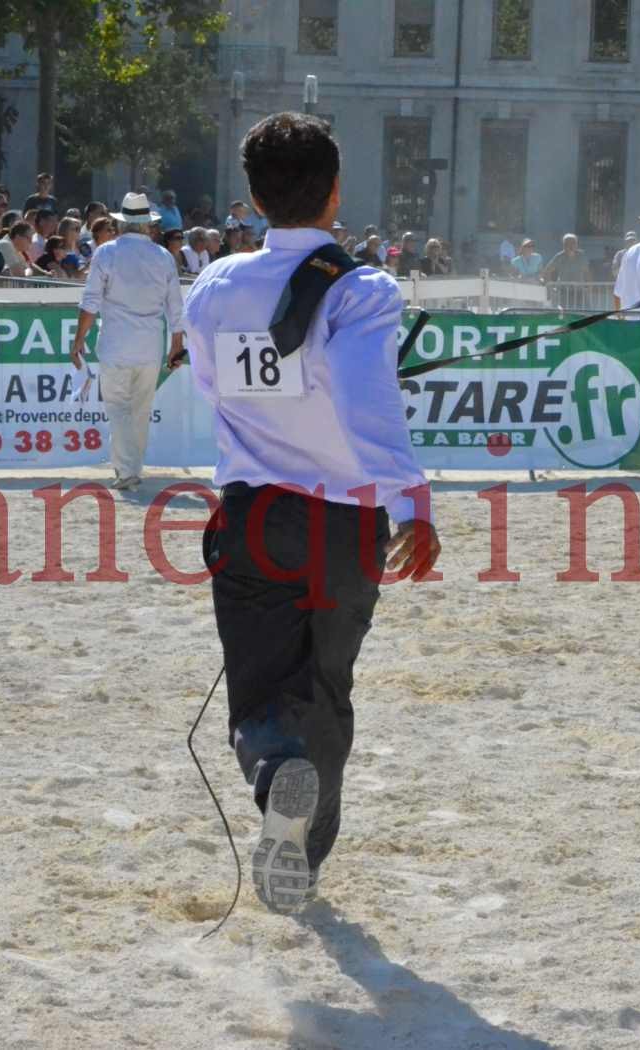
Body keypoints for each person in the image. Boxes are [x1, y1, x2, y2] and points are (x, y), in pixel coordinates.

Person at [173, 110, 440, 915]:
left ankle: (272, 775)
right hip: (345, 526)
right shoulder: (362, 290)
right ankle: (308, 856)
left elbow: (217, 391)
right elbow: (365, 399)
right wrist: (412, 502)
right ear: (335, 192)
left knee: (256, 701)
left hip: (254, 514)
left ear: (252, 196)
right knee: (327, 691)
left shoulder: (215, 286)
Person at [69, 191, 184, 490]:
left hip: (116, 343)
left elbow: (90, 301)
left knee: (118, 407)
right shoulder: (162, 257)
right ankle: (132, 466)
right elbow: (175, 306)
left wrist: (78, 339)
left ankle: (126, 469)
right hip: (149, 345)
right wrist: (176, 344)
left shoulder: (107, 253)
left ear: (121, 223)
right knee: (141, 408)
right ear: (148, 224)